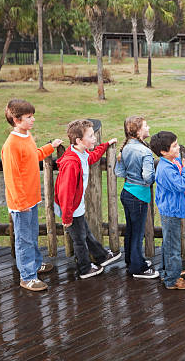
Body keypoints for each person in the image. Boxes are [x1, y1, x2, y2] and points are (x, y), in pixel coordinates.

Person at [1, 99, 62, 292]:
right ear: (16, 120)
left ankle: (35, 264)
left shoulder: (26, 136)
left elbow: (33, 156)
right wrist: (20, 203)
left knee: (32, 235)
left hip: (32, 198)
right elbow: (11, 176)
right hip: (21, 203)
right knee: (24, 239)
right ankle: (27, 277)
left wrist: (50, 146)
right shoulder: (11, 145)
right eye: (29, 117)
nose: (33, 120)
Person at [54, 119, 122, 279]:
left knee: (85, 233)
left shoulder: (81, 154)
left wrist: (105, 145)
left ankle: (102, 256)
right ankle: (84, 269)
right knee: (79, 239)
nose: (94, 139)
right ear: (79, 140)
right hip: (69, 208)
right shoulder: (71, 163)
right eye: (91, 136)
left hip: (76, 206)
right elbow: (66, 193)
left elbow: (92, 157)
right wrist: (67, 217)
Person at [150, 131, 185, 290]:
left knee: (169, 242)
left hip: (170, 209)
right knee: (173, 246)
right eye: (174, 146)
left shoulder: (171, 162)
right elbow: (182, 184)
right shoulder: (165, 169)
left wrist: (184, 164)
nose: (178, 147)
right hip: (171, 211)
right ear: (163, 152)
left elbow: (179, 170)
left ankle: (168, 270)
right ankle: (172, 279)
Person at [115, 116, 158, 279]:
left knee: (131, 231)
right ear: (139, 130)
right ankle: (137, 268)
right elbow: (148, 178)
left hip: (127, 193)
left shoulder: (125, 148)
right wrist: (155, 176)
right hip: (139, 196)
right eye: (146, 126)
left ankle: (132, 260)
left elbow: (119, 173)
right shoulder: (145, 151)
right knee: (138, 233)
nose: (149, 128)